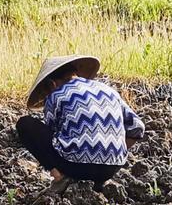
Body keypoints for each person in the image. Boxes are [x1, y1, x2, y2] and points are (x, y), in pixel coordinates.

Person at [16, 54, 145, 193]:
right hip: (111, 168)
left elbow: (52, 135)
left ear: (52, 84)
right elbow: (138, 127)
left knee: (25, 124)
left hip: (75, 166)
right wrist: (110, 151)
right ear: (75, 73)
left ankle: (59, 176)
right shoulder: (109, 91)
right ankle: (98, 181)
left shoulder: (56, 95)